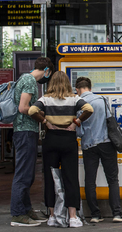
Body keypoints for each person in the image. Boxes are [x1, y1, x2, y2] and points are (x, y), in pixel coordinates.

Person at [28, 71, 94, 228]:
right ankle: (72, 217)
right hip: (68, 139)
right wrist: (76, 121)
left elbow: (31, 111)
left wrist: (45, 121)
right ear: (66, 83)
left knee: (51, 178)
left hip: (51, 139)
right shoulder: (74, 98)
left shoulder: (45, 99)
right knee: (70, 178)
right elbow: (89, 109)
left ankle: (52, 216)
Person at [74, 77, 122, 223]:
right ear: (89, 87)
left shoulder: (79, 104)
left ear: (78, 89)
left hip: (88, 146)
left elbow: (78, 131)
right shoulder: (102, 100)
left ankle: (95, 215)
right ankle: (117, 213)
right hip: (106, 144)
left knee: (90, 181)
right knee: (112, 179)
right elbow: (110, 121)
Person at [9, 56, 54, 227]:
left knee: (27, 173)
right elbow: (23, 107)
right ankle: (18, 214)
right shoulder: (29, 81)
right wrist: (43, 118)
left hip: (25, 132)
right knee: (23, 174)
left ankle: (26, 210)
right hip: (25, 131)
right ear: (47, 71)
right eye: (48, 75)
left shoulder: (24, 78)